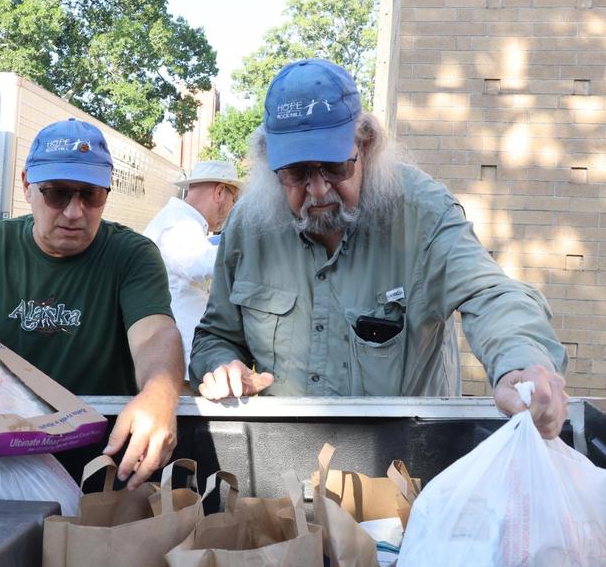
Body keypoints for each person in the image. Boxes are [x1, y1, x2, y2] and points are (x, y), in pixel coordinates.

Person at [190, 59, 570, 437]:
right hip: (284, 469)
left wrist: (519, 365)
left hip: (402, 467)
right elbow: (215, 335)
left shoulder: (423, 214)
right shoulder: (248, 226)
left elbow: (491, 294)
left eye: (336, 167)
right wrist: (221, 364)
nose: (318, 189)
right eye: (296, 173)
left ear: (366, 144)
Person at [0, 118, 183, 488]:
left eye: (90, 195)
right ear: (26, 186)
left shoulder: (131, 255)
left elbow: (155, 332)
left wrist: (160, 391)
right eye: (57, 193)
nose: (73, 211)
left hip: (97, 458)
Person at [143, 160, 241, 378]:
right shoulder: (178, 223)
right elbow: (201, 263)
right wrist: (248, 248)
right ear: (219, 192)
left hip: (180, 354)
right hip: (180, 358)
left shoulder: (178, 219)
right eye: (233, 199)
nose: (232, 208)